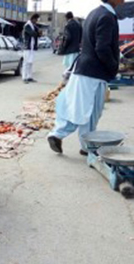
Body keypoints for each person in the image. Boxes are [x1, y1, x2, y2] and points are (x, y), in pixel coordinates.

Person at [48, 0, 123, 155]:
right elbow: (102, 47)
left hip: (84, 70)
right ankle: (86, 146)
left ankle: (60, 135)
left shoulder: (94, 13)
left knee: (80, 109)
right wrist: (113, 67)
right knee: (90, 112)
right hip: (94, 73)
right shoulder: (107, 16)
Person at [22, 14, 40, 84]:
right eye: (36, 19)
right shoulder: (27, 25)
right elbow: (33, 33)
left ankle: (29, 77)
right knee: (26, 62)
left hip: (32, 47)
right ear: (33, 19)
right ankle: (24, 77)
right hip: (27, 47)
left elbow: (38, 34)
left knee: (30, 62)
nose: (36, 21)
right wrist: (38, 33)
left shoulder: (33, 26)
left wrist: (38, 33)